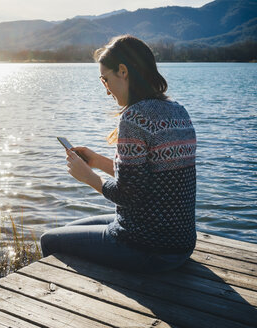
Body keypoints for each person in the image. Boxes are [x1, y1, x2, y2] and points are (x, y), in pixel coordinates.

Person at [40, 35, 197, 273]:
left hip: (147, 248)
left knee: (49, 240)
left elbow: (128, 195)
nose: (106, 90)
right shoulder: (178, 111)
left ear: (123, 71)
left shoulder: (135, 117)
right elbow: (150, 179)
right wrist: (96, 161)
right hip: (180, 245)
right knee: (69, 229)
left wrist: (88, 177)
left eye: (105, 79)